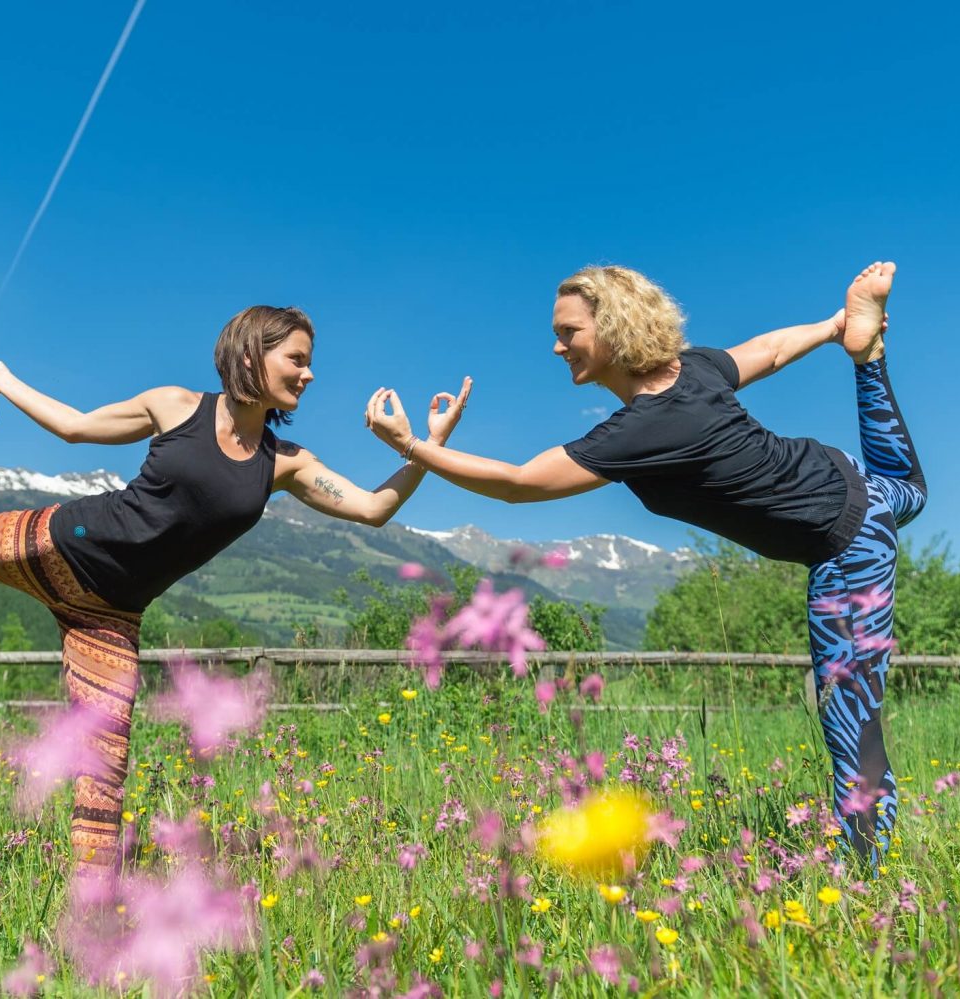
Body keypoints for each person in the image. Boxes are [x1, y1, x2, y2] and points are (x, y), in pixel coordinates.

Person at [0, 305, 469, 870]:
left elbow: (370, 509)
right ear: (252, 355)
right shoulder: (176, 406)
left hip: (111, 615)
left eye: (310, 363)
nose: (309, 374)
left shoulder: (284, 462)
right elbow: (77, 428)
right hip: (60, 544)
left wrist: (426, 447)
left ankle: (92, 920)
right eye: (297, 359)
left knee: (104, 771)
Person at [366, 263, 925, 864]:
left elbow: (518, 483)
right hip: (845, 479)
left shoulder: (643, 429)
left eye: (569, 332)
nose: (557, 347)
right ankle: (865, 353)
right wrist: (832, 325)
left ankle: (868, 873)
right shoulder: (693, 373)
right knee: (906, 493)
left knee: (850, 713)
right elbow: (767, 352)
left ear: (611, 328)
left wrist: (410, 446)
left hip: (844, 542)